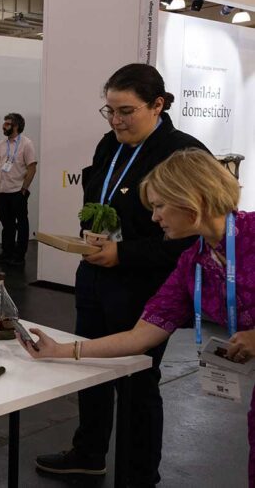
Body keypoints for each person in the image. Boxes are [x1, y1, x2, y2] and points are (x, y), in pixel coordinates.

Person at [21, 149, 255, 484]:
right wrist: (63, 350)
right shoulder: (193, 262)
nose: (155, 217)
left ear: (191, 199)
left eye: (160, 206)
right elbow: (142, 335)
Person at [35, 63, 209, 486]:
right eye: (109, 110)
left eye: (126, 111)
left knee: (136, 383)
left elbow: (190, 239)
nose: (116, 121)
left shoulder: (184, 155)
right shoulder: (108, 145)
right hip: (95, 279)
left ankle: (138, 476)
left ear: (158, 105)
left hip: (145, 290)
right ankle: (88, 453)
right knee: (89, 370)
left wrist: (124, 254)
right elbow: (98, 197)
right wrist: (91, 242)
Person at [0, 112, 37, 266]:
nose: (3, 126)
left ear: (16, 126)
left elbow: (32, 167)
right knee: (7, 224)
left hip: (18, 191)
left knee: (22, 223)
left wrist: (24, 189)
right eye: (4, 123)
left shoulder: (26, 144)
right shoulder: (0, 145)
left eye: (7, 124)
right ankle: (7, 252)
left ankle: (19, 256)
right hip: (2, 191)